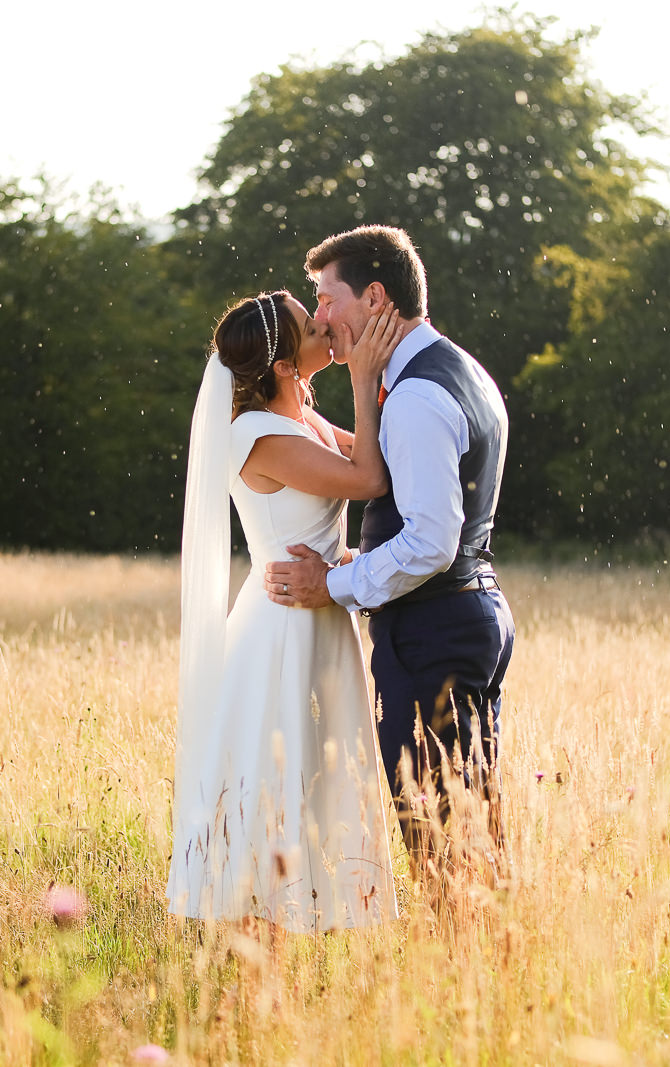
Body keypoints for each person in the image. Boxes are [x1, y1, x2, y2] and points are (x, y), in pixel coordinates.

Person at [264, 225, 516, 885]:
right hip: (470, 613)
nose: (319, 317)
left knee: (439, 841)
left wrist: (336, 585)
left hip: (432, 631)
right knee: (473, 827)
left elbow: (433, 540)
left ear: (375, 297)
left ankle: (462, 969)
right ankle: (491, 968)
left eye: (327, 298)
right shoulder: (459, 369)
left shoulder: (415, 399)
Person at [167, 288, 408, 933]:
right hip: (282, 626)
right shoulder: (258, 435)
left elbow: (378, 453)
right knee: (281, 773)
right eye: (311, 324)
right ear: (281, 365)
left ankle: (317, 916)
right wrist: (361, 377)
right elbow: (367, 480)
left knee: (322, 770)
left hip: (322, 609)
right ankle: (263, 929)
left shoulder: (301, 416)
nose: (323, 324)